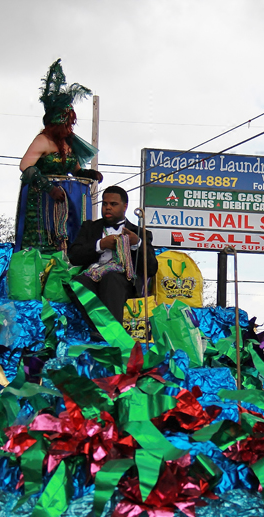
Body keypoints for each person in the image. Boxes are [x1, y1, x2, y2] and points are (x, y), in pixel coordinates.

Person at [15, 59, 103, 254]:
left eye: (71, 124)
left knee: (68, 246)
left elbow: (75, 170)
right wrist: (48, 188)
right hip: (41, 205)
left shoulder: (69, 143)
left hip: (66, 204)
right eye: (67, 124)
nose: (70, 128)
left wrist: (89, 174)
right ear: (56, 123)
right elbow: (25, 166)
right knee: (43, 248)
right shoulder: (43, 140)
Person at [68, 186, 158, 339]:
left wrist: (137, 244)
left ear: (125, 206)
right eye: (105, 204)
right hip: (92, 276)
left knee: (111, 278)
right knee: (77, 283)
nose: (108, 207)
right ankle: (107, 329)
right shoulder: (89, 227)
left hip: (122, 281)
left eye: (113, 204)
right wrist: (100, 245)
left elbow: (151, 268)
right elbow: (74, 256)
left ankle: (106, 330)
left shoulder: (140, 233)